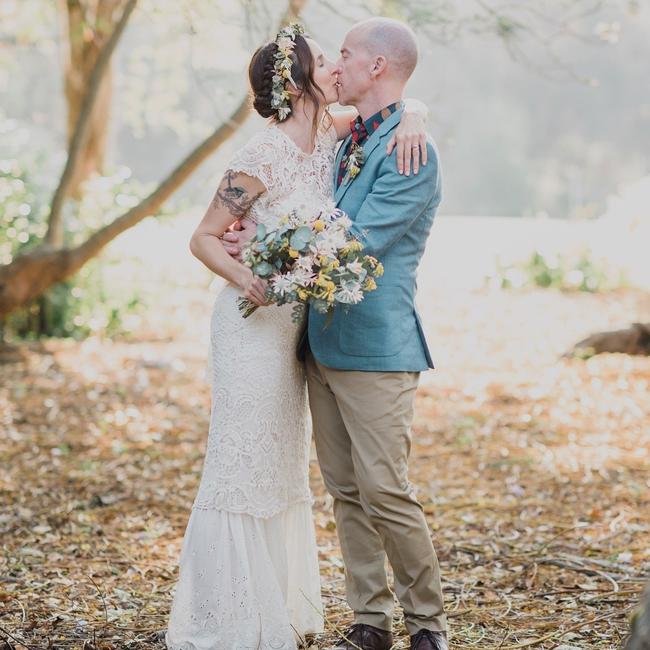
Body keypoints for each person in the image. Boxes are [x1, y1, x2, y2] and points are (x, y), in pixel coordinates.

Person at [164, 21, 430, 650]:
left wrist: (415, 110)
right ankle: (225, 620)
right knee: (240, 465)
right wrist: (247, 276)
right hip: (252, 327)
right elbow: (202, 236)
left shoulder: (329, 135)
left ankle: (273, 610)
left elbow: (392, 101)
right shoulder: (260, 156)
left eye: (344, 56)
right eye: (326, 59)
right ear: (299, 79)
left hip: (296, 334)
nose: (338, 66)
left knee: (282, 470)